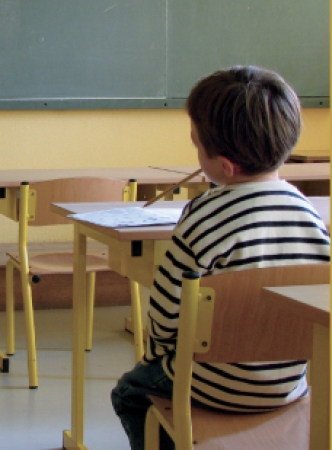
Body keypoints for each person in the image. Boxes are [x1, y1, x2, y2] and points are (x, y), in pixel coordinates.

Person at [111, 65, 331, 450]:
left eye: (197, 145)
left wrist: (157, 358)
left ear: (225, 166)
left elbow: (163, 322)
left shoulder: (201, 216)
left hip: (209, 387)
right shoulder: (311, 215)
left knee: (129, 393)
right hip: (289, 385)